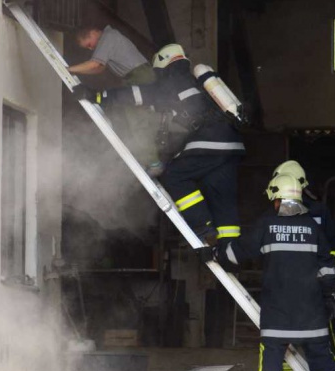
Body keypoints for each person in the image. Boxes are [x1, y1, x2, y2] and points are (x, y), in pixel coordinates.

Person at [213, 174, 335, 371]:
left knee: (272, 353)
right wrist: (328, 296)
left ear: (276, 199)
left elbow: (238, 253)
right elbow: (328, 268)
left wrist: (215, 252)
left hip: (278, 306)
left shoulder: (266, 225)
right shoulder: (312, 227)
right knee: (320, 352)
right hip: (311, 306)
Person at [86, 43, 244, 244]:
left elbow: (137, 95)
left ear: (163, 64)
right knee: (222, 195)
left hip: (209, 142)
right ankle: (229, 249)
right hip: (233, 144)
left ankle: (202, 227)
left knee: (174, 176)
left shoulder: (173, 81)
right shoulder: (199, 83)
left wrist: (99, 96)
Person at [268, 160, 335, 371]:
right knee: (318, 341)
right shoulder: (315, 212)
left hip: (301, 287)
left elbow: (331, 249)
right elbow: (331, 250)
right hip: (314, 286)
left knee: (299, 340)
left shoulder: (299, 212)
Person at [68, 23, 160, 173]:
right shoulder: (111, 38)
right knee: (131, 118)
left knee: (138, 120)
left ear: (92, 33)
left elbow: (94, 64)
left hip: (138, 77)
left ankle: (153, 163)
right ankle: (146, 159)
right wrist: (75, 71)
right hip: (136, 77)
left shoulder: (108, 37)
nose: (91, 49)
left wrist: (68, 69)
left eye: (89, 45)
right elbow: (99, 68)